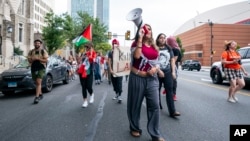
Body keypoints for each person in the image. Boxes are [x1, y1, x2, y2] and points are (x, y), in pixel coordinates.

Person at [127, 24, 165, 141]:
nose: (148, 30)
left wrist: (156, 69)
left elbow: (157, 62)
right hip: (137, 77)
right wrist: (139, 39)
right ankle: (135, 128)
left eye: (150, 28)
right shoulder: (136, 44)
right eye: (145, 28)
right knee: (135, 104)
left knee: (154, 105)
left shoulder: (155, 47)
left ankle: (155, 134)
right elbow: (137, 57)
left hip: (152, 79)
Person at [156, 33, 181, 117]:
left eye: (164, 38)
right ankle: (157, 106)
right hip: (157, 72)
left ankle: (172, 111)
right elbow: (152, 60)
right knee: (156, 90)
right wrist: (158, 70)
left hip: (167, 72)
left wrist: (173, 71)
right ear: (158, 39)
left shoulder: (169, 48)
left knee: (169, 91)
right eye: (161, 38)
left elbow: (172, 60)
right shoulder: (155, 48)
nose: (163, 39)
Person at [27, 39, 49, 104]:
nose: (37, 44)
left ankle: (36, 97)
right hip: (33, 67)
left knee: (38, 82)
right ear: (34, 44)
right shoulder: (31, 52)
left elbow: (46, 60)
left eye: (38, 43)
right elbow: (29, 60)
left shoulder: (43, 51)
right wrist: (32, 59)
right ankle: (40, 94)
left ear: (40, 44)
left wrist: (38, 59)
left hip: (41, 67)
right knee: (36, 82)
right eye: (36, 43)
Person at [77, 42, 96, 107]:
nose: (87, 49)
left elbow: (92, 60)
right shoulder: (83, 54)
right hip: (82, 73)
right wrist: (80, 58)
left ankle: (92, 94)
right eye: (86, 47)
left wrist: (90, 53)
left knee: (89, 86)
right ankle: (85, 101)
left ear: (91, 48)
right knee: (83, 87)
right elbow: (80, 62)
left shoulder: (93, 54)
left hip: (89, 72)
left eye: (88, 47)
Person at [166, 36, 182, 101]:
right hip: (167, 65)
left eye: (168, 41)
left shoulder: (176, 49)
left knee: (174, 80)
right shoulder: (168, 48)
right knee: (167, 79)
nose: (167, 42)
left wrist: (166, 61)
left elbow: (174, 59)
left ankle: (174, 94)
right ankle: (166, 89)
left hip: (174, 66)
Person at [108, 39, 123, 103]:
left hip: (120, 70)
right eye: (113, 44)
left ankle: (119, 95)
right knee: (114, 83)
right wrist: (110, 69)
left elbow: (124, 59)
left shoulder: (121, 51)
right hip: (113, 70)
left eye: (116, 44)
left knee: (119, 83)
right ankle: (117, 93)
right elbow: (109, 61)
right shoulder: (110, 52)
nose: (114, 45)